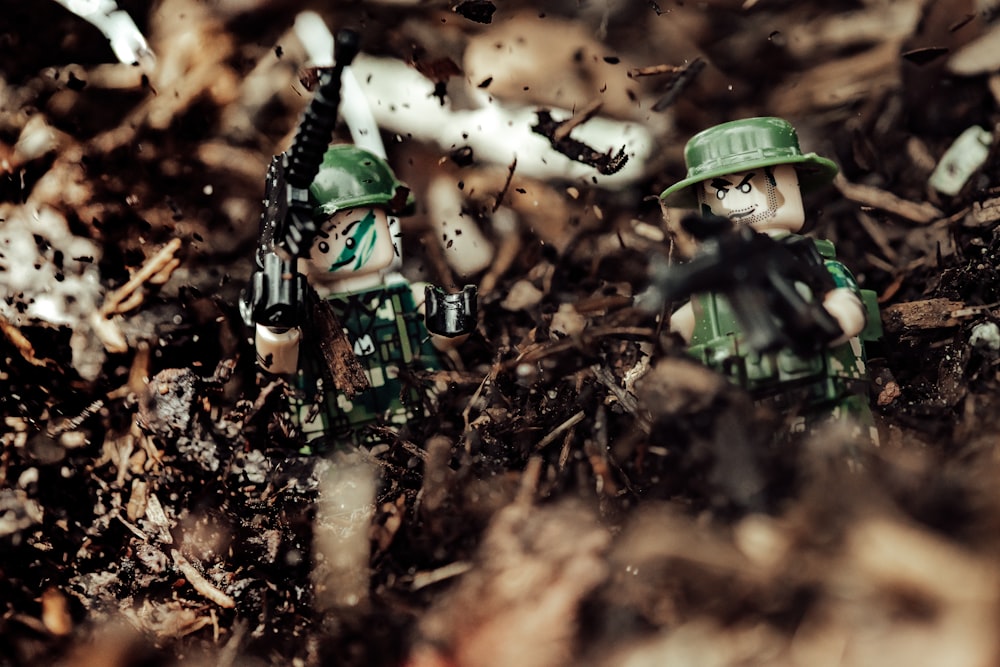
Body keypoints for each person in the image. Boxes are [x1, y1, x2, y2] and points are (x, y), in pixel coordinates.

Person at [659, 117, 880, 444]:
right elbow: (688, 325)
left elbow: (846, 304)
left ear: (792, 185)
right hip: (750, 415)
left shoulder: (806, 257)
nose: (736, 201)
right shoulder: (716, 276)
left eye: (748, 186)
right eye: (721, 192)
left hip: (823, 392)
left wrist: (829, 321)